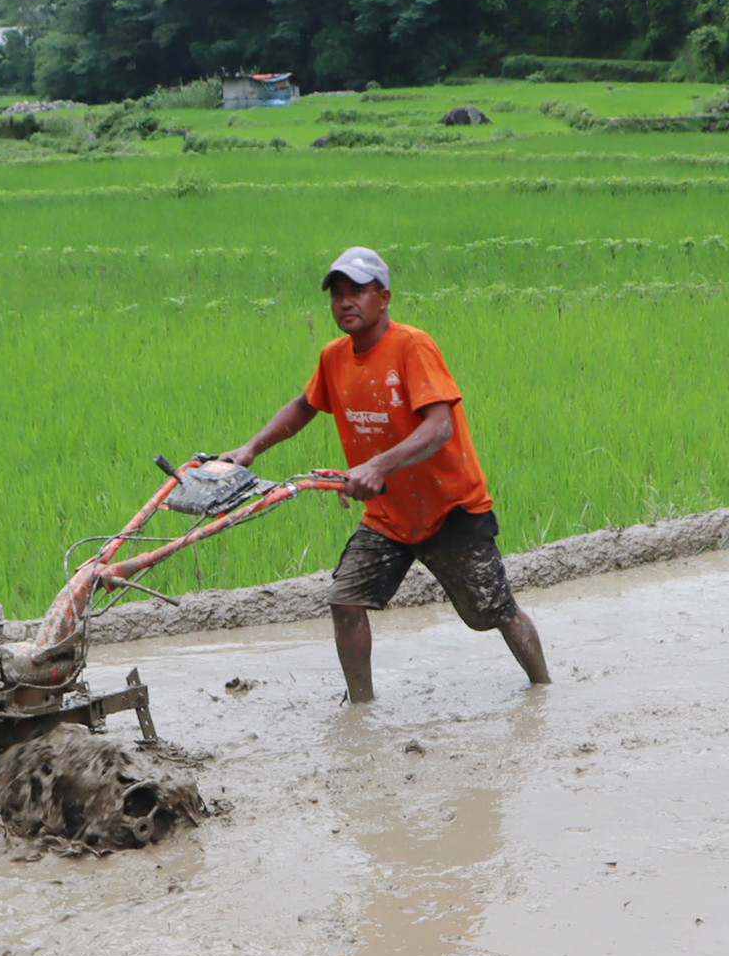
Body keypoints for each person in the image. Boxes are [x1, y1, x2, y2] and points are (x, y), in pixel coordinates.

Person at [223, 246, 550, 704]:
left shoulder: (411, 346)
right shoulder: (334, 357)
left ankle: (543, 690)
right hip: (389, 515)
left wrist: (377, 465)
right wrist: (250, 449)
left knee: (492, 611)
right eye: (337, 294)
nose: (344, 302)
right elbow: (304, 406)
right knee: (345, 601)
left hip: (449, 508)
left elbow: (440, 427)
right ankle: (361, 708)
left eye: (357, 291)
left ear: (384, 297)